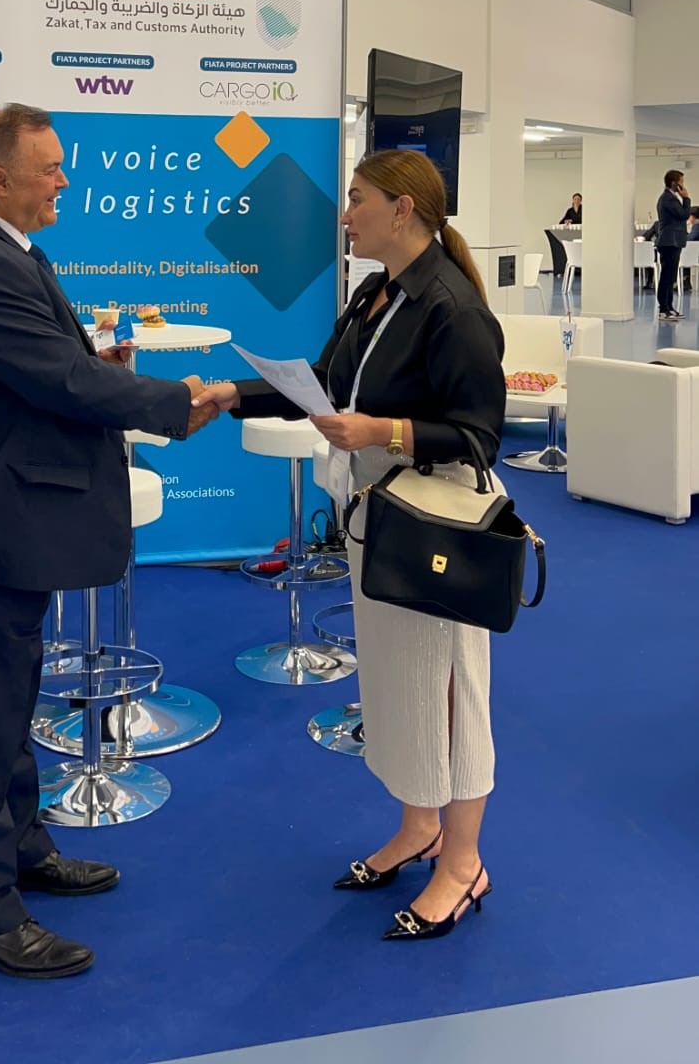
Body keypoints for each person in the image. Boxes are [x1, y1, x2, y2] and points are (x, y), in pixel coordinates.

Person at [0, 103, 218, 980]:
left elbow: (45, 367)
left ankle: (21, 850)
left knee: (6, 704)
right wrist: (172, 400)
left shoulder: (0, 247)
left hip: (1, 523)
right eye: (50, 169)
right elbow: (58, 380)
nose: (65, 181)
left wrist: (99, 372)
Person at [204, 150, 506, 942]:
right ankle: (418, 827)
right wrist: (235, 392)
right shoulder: (376, 295)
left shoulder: (453, 308)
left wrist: (384, 431)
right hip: (381, 518)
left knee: (451, 691)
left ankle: (463, 863)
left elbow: (479, 438)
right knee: (400, 685)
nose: (345, 216)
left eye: (357, 199)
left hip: (440, 532)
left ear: (403, 209)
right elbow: (327, 382)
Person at [655, 169, 691, 320]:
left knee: (670, 276)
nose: (683, 185)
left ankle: (669, 307)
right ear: (674, 183)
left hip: (674, 241)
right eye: (681, 182)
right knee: (667, 276)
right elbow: (684, 214)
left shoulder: (671, 198)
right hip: (669, 241)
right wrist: (686, 199)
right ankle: (664, 309)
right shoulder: (668, 199)